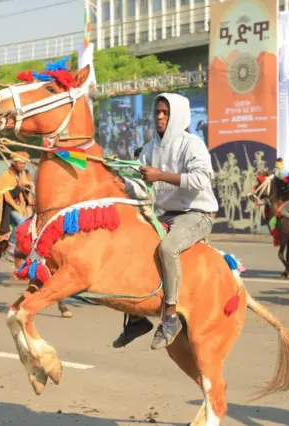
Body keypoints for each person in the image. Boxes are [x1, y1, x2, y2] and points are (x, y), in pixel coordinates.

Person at [113, 93, 218, 350]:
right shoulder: (149, 149)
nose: (159, 117)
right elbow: (141, 188)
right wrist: (120, 181)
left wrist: (161, 175)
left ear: (177, 115)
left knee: (168, 248)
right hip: (165, 212)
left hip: (197, 213)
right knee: (130, 243)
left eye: (165, 113)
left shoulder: (192, 144)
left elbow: (202, 180)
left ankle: (170, 316)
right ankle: (136, 319)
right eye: (157, 112)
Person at [0, 152, 33, 251]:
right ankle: (11, 246)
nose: (22, 165)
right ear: (14, 163)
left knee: (31, 224)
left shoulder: (22, 175)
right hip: (8, 209)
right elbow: (1, 195)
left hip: (21, 207)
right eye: (20, 163)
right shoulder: (5, 175)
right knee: (22, 222)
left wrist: (26, 188)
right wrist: (18, 188)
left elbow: (26, 194)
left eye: (24, 163)